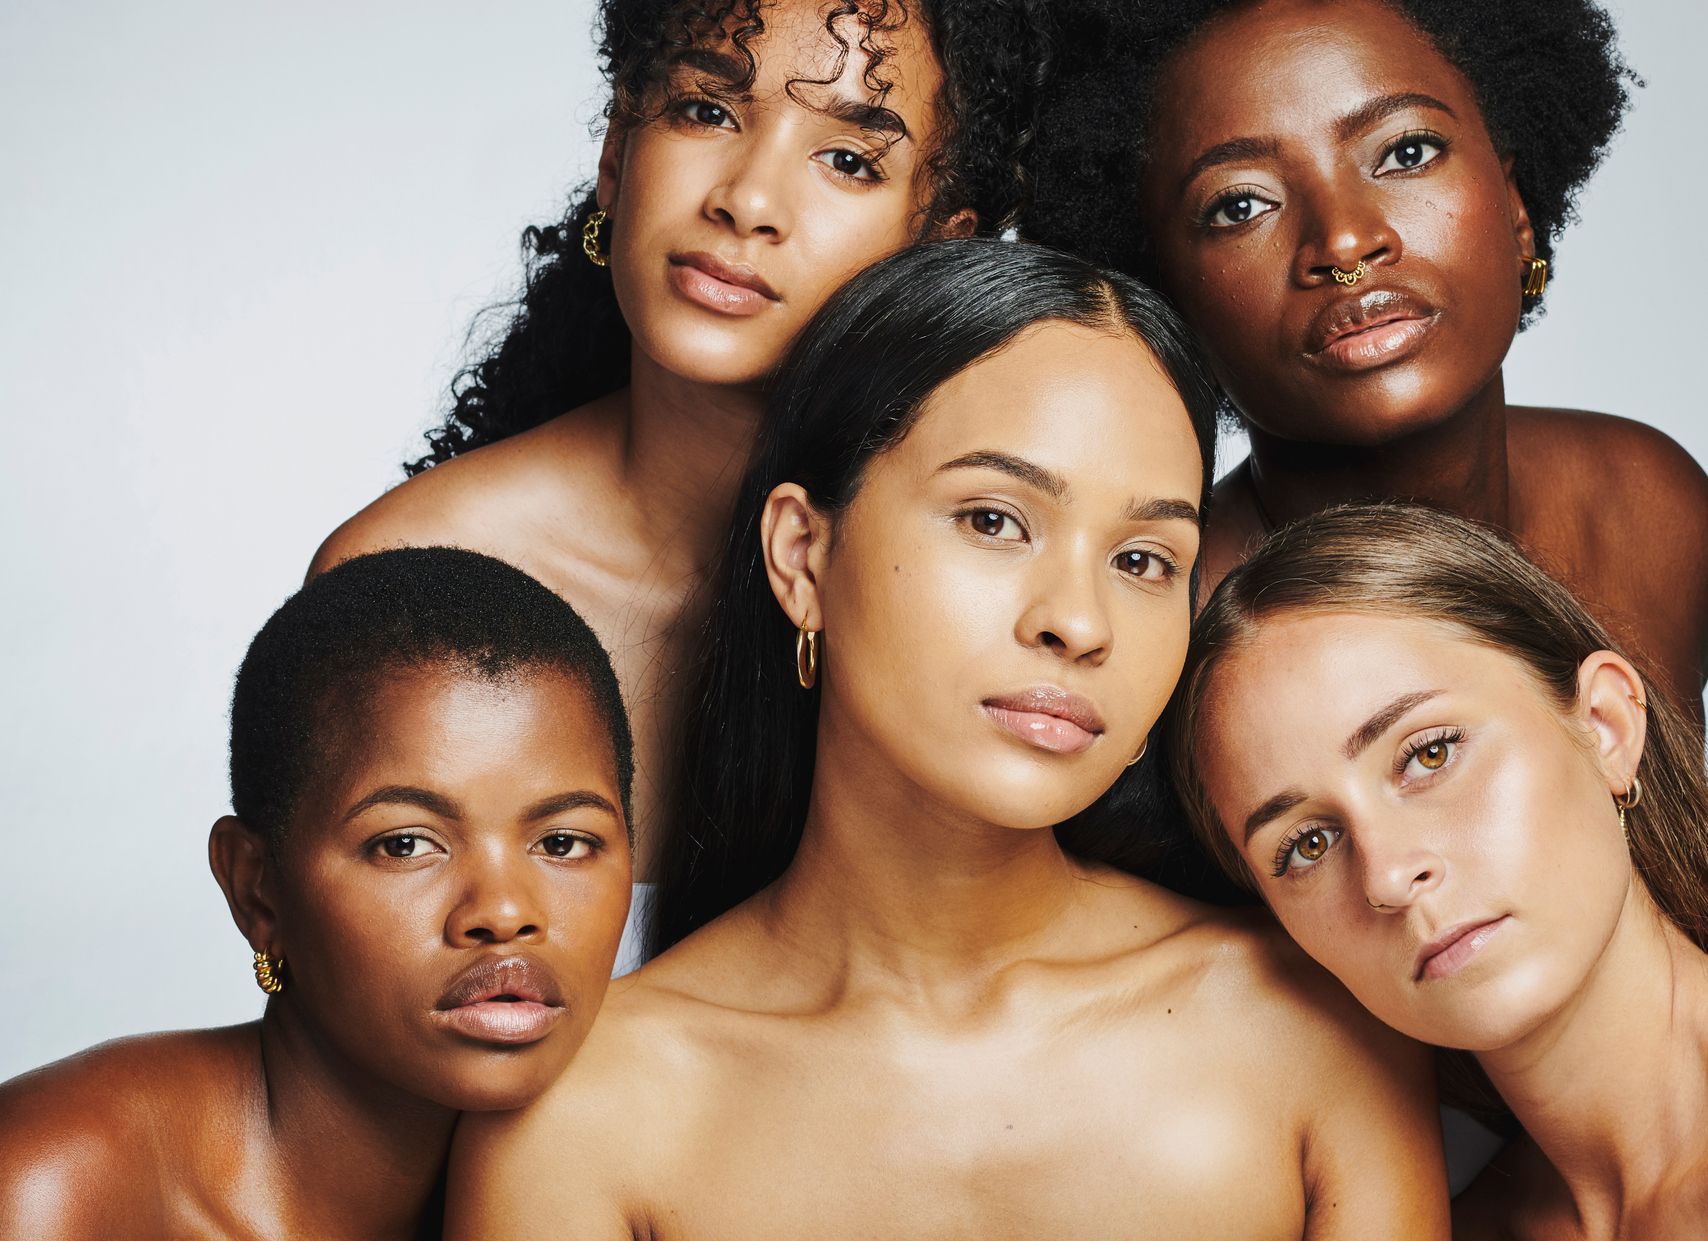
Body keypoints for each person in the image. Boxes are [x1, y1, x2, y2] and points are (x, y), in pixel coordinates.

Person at [447, 240, 1447, 1238]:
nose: (1080, 622)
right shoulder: (585, 1113)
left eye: (1144, 558)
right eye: (994, 519)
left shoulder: (1313, 1027)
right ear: (803, 554)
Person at [313, 0, 1048, 905]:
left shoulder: (994, 585)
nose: (749, 199)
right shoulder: (410, 579)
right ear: (617, 153)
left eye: (848, 159)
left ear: (935, 246)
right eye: (708, 111)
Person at [1024, 0, 1708, 723]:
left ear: (1516, 197)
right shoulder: (1160, 641)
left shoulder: (1643, 512)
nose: (1345, 241)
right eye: (1240, 204)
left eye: (1404, 150)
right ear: (1167, 290)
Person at [1170, 503, 1708, 1238]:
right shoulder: (1470, 1220)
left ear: (1605, 726)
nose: (1388, 876)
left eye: (1428, 753)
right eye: (1305, 844)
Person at [0, 548, 635, 1240]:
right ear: (256, 890)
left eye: (563, 842)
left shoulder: (649, 1170)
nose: (506, 912)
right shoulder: (50, 1188)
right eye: (404, 843)